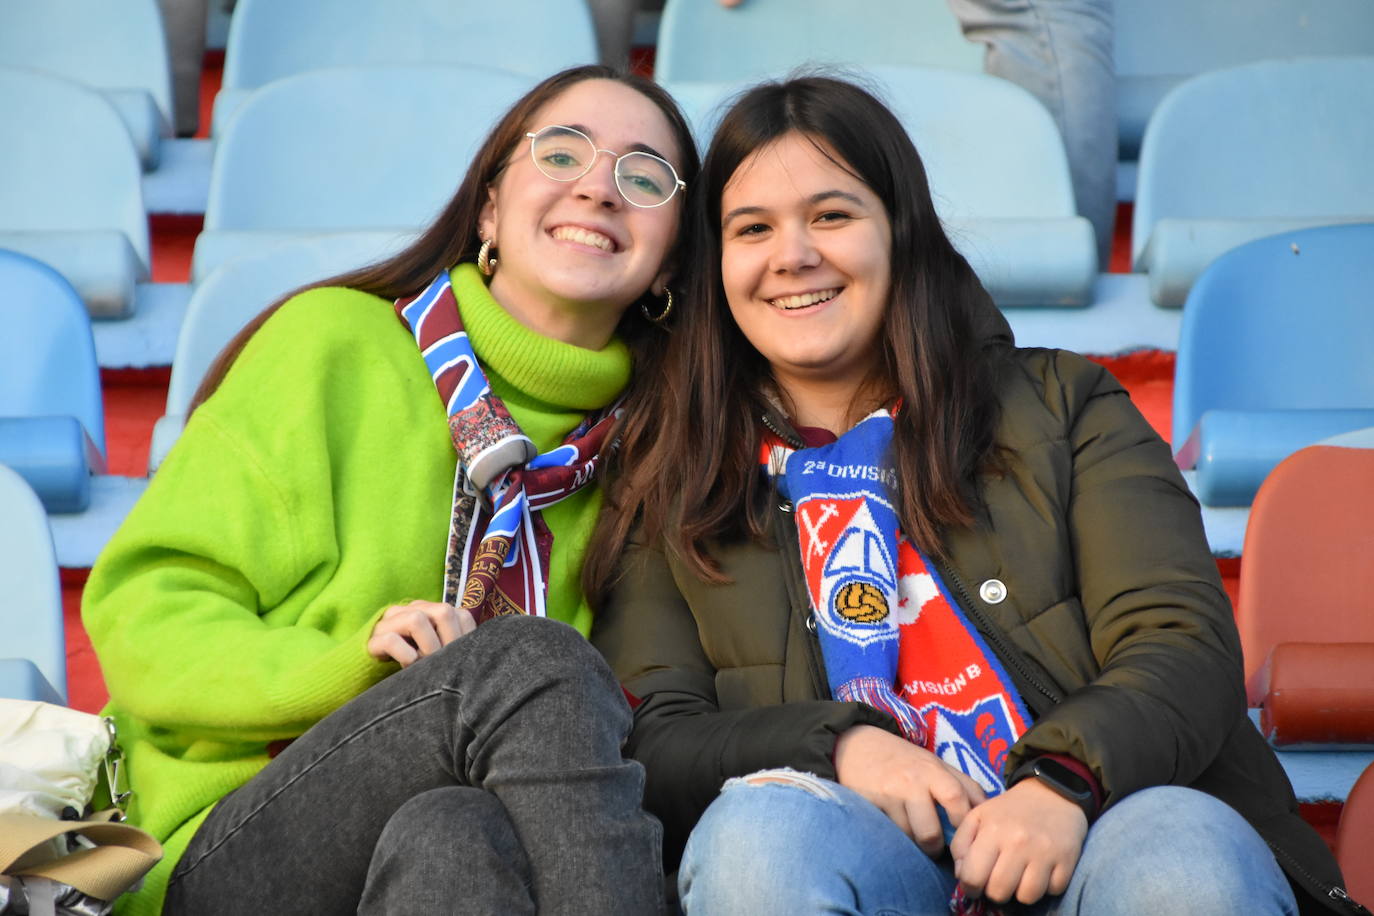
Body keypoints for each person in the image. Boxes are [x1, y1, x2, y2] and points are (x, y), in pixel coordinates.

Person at [587, 76, 1362, 915]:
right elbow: (656, 742)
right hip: (872, 861)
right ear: (717, 265)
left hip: (1097, 837)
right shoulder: (674, 477)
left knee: (1178, 848)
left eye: (833, 216)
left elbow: (1181, 645)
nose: (794, 254)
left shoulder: (1064, 405)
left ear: (901, 234)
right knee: (758, 838)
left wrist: (1063, 782)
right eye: (753, 229)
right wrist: (840, 749)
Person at [82, 64, 697, 915]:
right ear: (488, 207)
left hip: (471, 848)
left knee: (453, 834)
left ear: (671, 261)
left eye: (643, 176)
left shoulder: (660, 452)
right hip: (224, 840)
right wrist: (352, 662)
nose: (598, 187)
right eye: (561, 154)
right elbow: (144, 608)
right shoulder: (334, 346)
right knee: (533, 658)